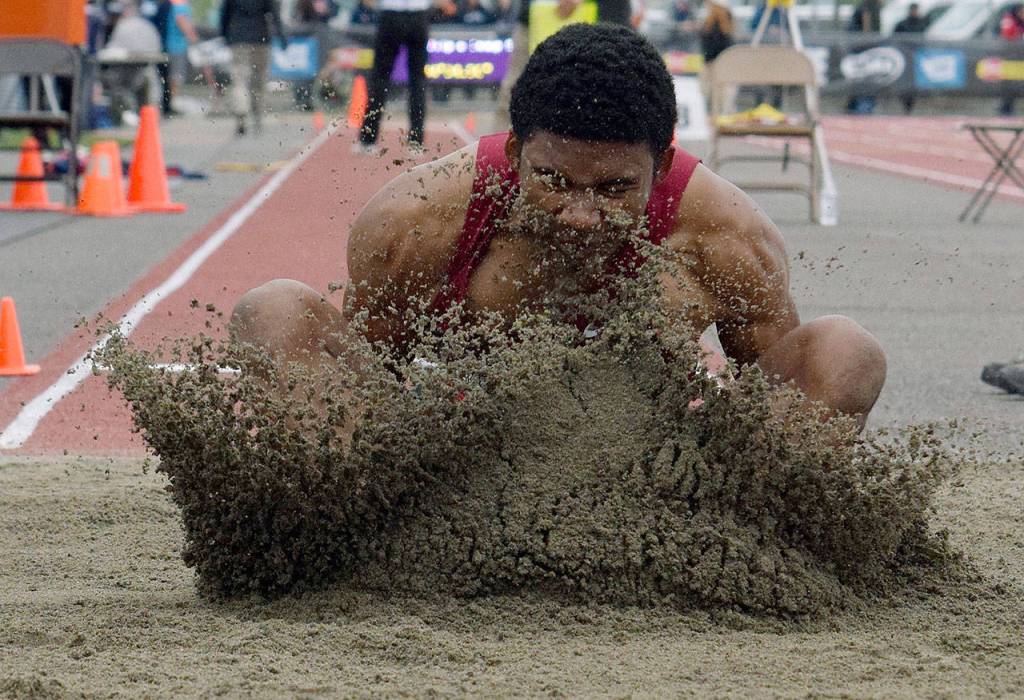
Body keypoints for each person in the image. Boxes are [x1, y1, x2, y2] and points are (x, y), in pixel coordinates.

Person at [231, 24, 887, 433]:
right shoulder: (417, 221)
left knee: (844, 350)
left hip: (650, 475)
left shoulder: (727, 238)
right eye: (554, 182)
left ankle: (753, 562)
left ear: (660, 166)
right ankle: (338, 550)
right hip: (460, 459)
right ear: (515, 154)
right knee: (273, 311)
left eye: (613, 189)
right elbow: (367, 385)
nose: (581, 215)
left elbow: (774, 398)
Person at [356, 0, 451, 153]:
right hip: (418, 17)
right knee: (417, 82)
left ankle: (368, 140)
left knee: (380, 79)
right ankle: (416, 141)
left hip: (391, 15)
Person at [219, 0, 288, 136]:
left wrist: (224, 36)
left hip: (238, 38)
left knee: (239, 80)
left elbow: (224, 14)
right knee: (259, 81)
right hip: (261, 39)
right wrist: (282, 37)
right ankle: (257, 116)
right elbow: (274, 13)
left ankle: (241, 112)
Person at [101, 0, 163, 123]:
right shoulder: (148, 26)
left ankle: (117, 117)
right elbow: (158, 47)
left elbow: (111, 50)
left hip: (123, 76)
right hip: (145, 72)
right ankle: (150, 118)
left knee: (105, 80)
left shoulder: (123, 26)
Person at [163, 0, 200, 117]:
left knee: (174, 76)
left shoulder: (175, 4)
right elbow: (181, 20)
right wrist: (192, 36)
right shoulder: (180, 5)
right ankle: (173, 103)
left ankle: (172, 103)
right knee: (176, 76)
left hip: (174, 45)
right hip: (177, 46)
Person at [846, 0, 882, 114]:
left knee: (862, 77)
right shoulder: (868, 5)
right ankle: (861, 106)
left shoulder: (869, 5)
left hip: (861, 46)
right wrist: (868, 39)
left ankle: (855, 105)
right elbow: (866, 19)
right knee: (865, 76)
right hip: (862, 48)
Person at [699, 0, 735, 113]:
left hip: (721, 63)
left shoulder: (725, 22)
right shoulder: (709, 22)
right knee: (708, 92)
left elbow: (725, 44)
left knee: (722, 94)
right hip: (710, 62)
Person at [894, 3, 927, 114]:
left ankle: (910, 107)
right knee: (904, 83)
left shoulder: (921, 24)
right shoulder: (902, 24)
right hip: (903, 59)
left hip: (915, 59)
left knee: (913, 85)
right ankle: (905, 105)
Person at [998, 4, 1024, 115]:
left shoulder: (1019, 21)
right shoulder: (1009, 19)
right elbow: (1008, 36)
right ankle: (1006, 108)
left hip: (1019, 58)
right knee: (1009, 83)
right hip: (1010, 57)